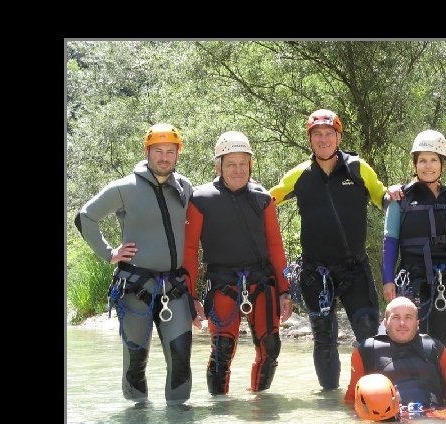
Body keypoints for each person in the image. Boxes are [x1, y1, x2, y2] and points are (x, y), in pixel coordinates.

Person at [270, 108, 400, 390]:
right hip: (315, 273)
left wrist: (396, 194)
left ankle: (377, 395)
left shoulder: (357, 168)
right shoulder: (300, 174)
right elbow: (268, 200)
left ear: (338, 137)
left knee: (369, 335)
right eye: (317, 134)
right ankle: (330, 403)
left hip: (355, 268)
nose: (323, 139)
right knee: (324, 340)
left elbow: (382, 198)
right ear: (310, 139)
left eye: (329, 133)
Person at [75, 123, 194, 405]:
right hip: (135, 288)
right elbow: (85, 217)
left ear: (177, 154)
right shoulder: (124, 188)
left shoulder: (184, 187)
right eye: (158, 151)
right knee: (136, 361)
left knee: (180, 357)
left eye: (170, 151)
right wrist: (109, 253)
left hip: (174, 287)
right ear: (147, 152)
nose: (164, 157)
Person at [183, 131, 292, 395]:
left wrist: (284, 290)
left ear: (251, 165)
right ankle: (220, 416)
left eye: (244, 163)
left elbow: (276, 247)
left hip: (262, 282)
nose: (238, 170)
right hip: (222, 284)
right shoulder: (200, 199)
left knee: (270, 349)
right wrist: (191, 296)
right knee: (222, 352)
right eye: (231, 164)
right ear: (218, 166)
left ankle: (260, 403)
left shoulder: (262, 198)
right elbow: (189, 251)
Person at [381, 130, 446, 349]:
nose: (428, 165)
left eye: (434, 160)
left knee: (442, 340)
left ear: (442, 164)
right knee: (412, 339)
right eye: (422, 160)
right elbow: (390, 242)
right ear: (415, 164)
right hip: (412, 278)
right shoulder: (400, 199)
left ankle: (441, 382)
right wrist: (387, 279)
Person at [345, 296, 446, 408]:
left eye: (408, 317)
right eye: (396, 317)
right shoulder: (366, 350)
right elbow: (351, 400)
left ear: (417, 324)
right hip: (388, 421)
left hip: (433, 417)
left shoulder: (435, 347)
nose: (402, 323)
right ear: (385, 323)